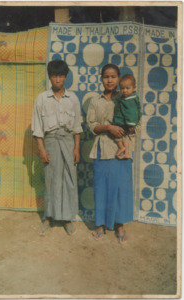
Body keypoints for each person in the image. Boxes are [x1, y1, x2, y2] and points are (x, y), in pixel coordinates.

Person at [87, 64, 138, 244]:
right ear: (101, 78)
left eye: (113, 77)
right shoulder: (95, 101)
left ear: (118, 78)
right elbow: (92, 125)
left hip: (121, 149)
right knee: (101, 188)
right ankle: (100, 225)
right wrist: (108, 127)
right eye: (106, 77)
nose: (110, 80)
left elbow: (135, 120)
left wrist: (124, 132)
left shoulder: (126, 98)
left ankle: (119, 224)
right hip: (102, 148)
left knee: (120, 189)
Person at [31, 60, 83, 236]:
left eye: (61, 75)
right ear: (50, 77)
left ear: (66, 77)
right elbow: (37, 128)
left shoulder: (73, 99)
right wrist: (42, 149)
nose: (58, 79)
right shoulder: (42, 99)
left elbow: (77, 127)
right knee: (51, 180)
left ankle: (68, 218)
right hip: (51, 142)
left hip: (68, 142)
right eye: (54, 75)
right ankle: (49, 217)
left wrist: (76, 149)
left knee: (68, 180)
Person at [113, 74, 141, 159]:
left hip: (126, 124)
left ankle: (122, 148)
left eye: (127, 88)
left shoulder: (129, 100)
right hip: (124, 123)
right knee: (125, 138)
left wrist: (130, 125)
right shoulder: (126, 98)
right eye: (122, 88)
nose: (124, 91)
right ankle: (127, 152)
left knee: (118, 136)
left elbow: (131, 113)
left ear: (134, 88)